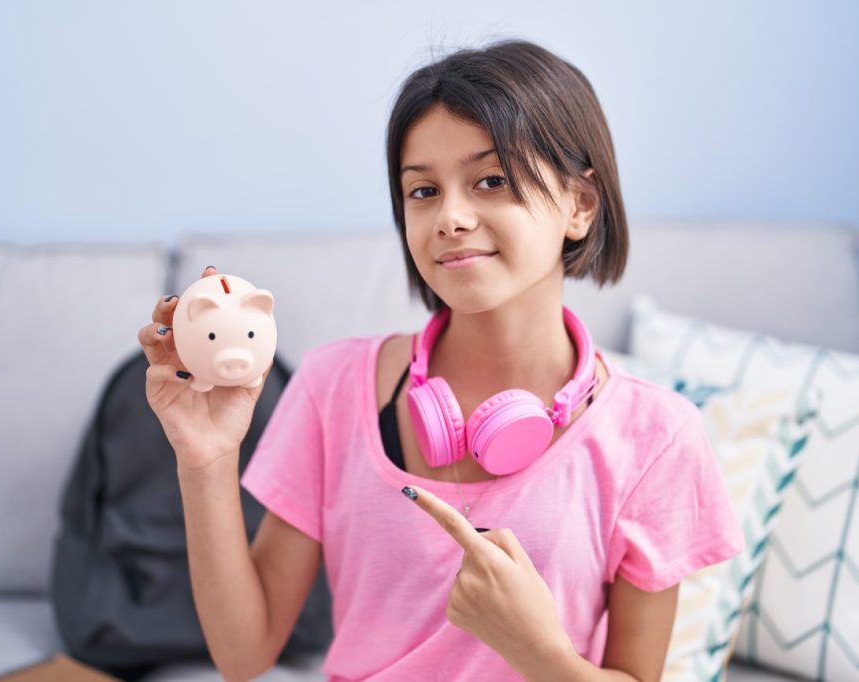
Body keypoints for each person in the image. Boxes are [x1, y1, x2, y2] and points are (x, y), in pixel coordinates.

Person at [140, 38, 745, 682]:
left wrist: (536, 652)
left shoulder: (657, 437)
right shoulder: (332, 386)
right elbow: (242, 654)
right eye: (423, 190)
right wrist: (205, 461)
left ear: (580, 205)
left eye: (491, 181)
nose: (450, 217)